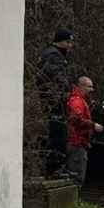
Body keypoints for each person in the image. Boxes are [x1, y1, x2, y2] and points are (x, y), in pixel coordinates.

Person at [39, 29, 76, 176]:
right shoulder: (53, 55)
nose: (70, 46)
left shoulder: (54, 54)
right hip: (53, 100)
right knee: (57, 133)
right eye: (67, 42)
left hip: (54, 99)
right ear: (59, 41)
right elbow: (56, 77)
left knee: (59, 132)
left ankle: (59, 166)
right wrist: (66, 88)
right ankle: (55, 168)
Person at [65, 76, 103, 186]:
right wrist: (93, 125)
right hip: (77, 143)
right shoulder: (77, 101)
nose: (92, 90)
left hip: (79, 142)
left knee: (77, 175)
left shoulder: (80, 100)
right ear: (81, 86)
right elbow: (76, 119)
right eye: (89, 87)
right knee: (77, 178)